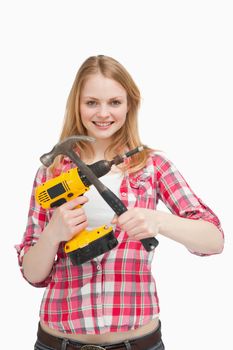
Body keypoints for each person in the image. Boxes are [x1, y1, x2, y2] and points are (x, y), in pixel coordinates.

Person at [15, 55, 224, 350]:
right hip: (57, 342)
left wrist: (159, 220)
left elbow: (213, 240)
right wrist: (53, 234)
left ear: (130, 105)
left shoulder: (153, 166)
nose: (103, 113)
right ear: (77, 104)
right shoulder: (52, 173)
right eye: (91, 103)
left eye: (114, 102)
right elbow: (32, 274)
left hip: (138, 343)